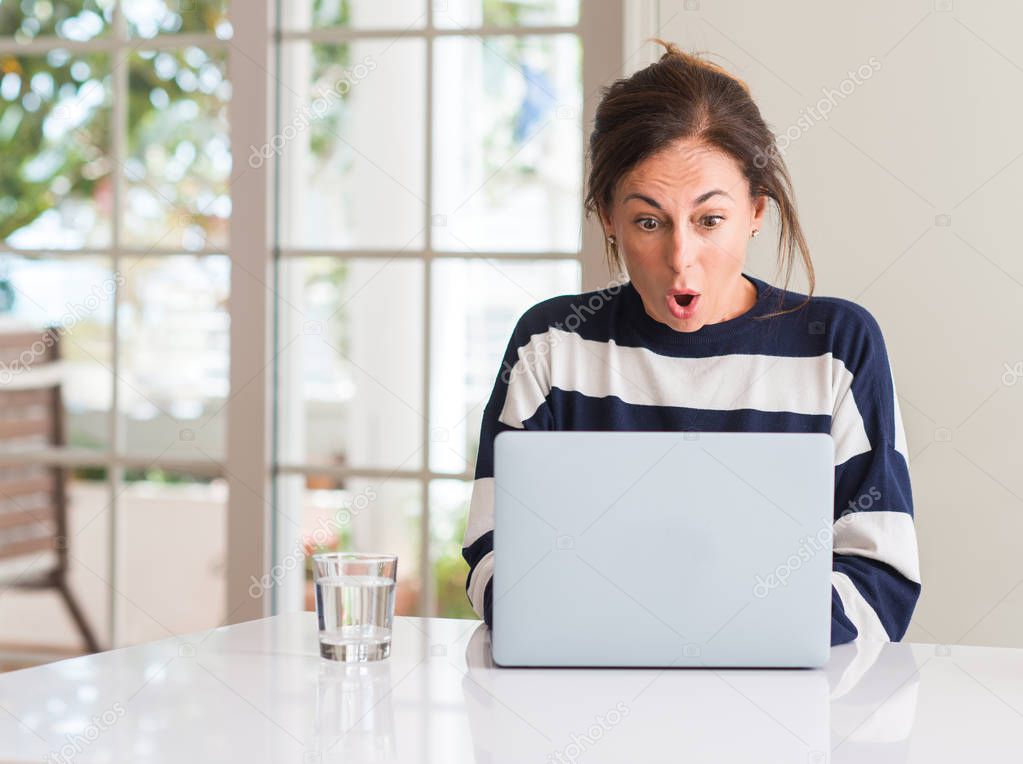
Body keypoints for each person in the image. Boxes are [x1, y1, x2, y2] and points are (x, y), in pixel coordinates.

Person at [461, 40, 920, 646]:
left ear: (756, 211)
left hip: (786, 715)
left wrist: (700, 628)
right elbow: (493, 556)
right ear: (607, 216)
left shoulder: (835, 346)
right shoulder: (551, 345)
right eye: (648, 222)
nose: (681, 260)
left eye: (710, 220)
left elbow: (880, 580)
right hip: (580, 704)